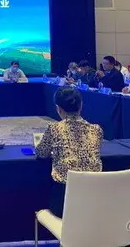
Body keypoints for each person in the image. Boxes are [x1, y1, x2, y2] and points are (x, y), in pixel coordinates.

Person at [35, 87, 103, 217]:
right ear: (81, 106)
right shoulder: (97, 130)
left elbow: (41, 152)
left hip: (64, 203)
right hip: (94, 199)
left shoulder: (54, 128)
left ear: (58, 109)